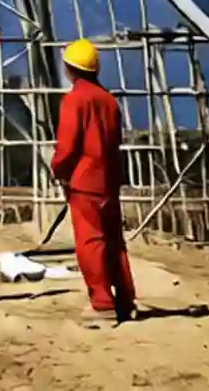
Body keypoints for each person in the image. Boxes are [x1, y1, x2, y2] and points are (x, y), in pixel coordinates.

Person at [50, 37, 136, 322]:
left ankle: (101, 301)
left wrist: (58, 170)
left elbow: (67, 146)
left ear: (69, 68)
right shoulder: (108, 100)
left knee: (90, 240)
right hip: (109, 179)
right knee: (114, 240)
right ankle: (125, 298)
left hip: (84, 181)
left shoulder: (74, 100)